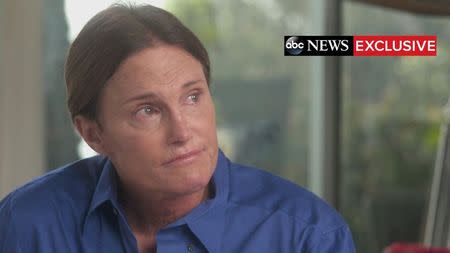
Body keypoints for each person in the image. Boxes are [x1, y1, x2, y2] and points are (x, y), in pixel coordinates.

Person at [0, 4, 355, 253]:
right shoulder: (26, 224)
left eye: (192, 97)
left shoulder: (308, 236)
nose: (183, 132)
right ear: (93, 134)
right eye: (147, 110)